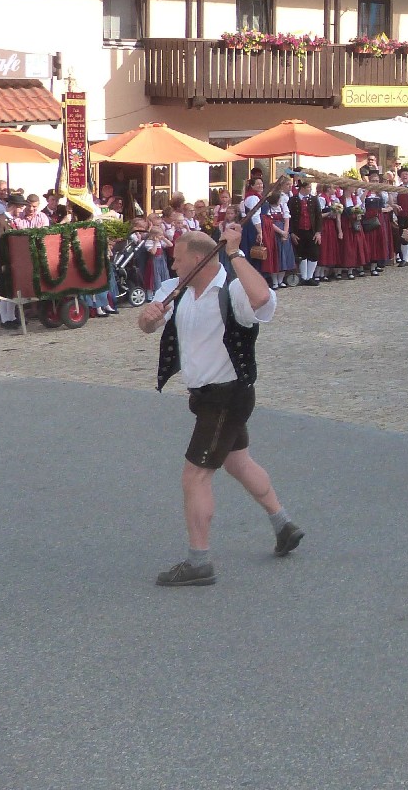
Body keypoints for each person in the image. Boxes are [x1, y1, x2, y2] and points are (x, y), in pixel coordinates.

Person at [138, 225, 302, 588]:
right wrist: (147, 319)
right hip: (205, 398)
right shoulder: (176, 289)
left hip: (227, 396)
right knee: (238, 462)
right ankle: (284, 525)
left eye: (178, 259)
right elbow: (148, 324)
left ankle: (199, 562)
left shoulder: (233, 290)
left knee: (194, 476)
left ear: (198, 259)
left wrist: (235, 252)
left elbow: (262, 298)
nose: (173, 264)